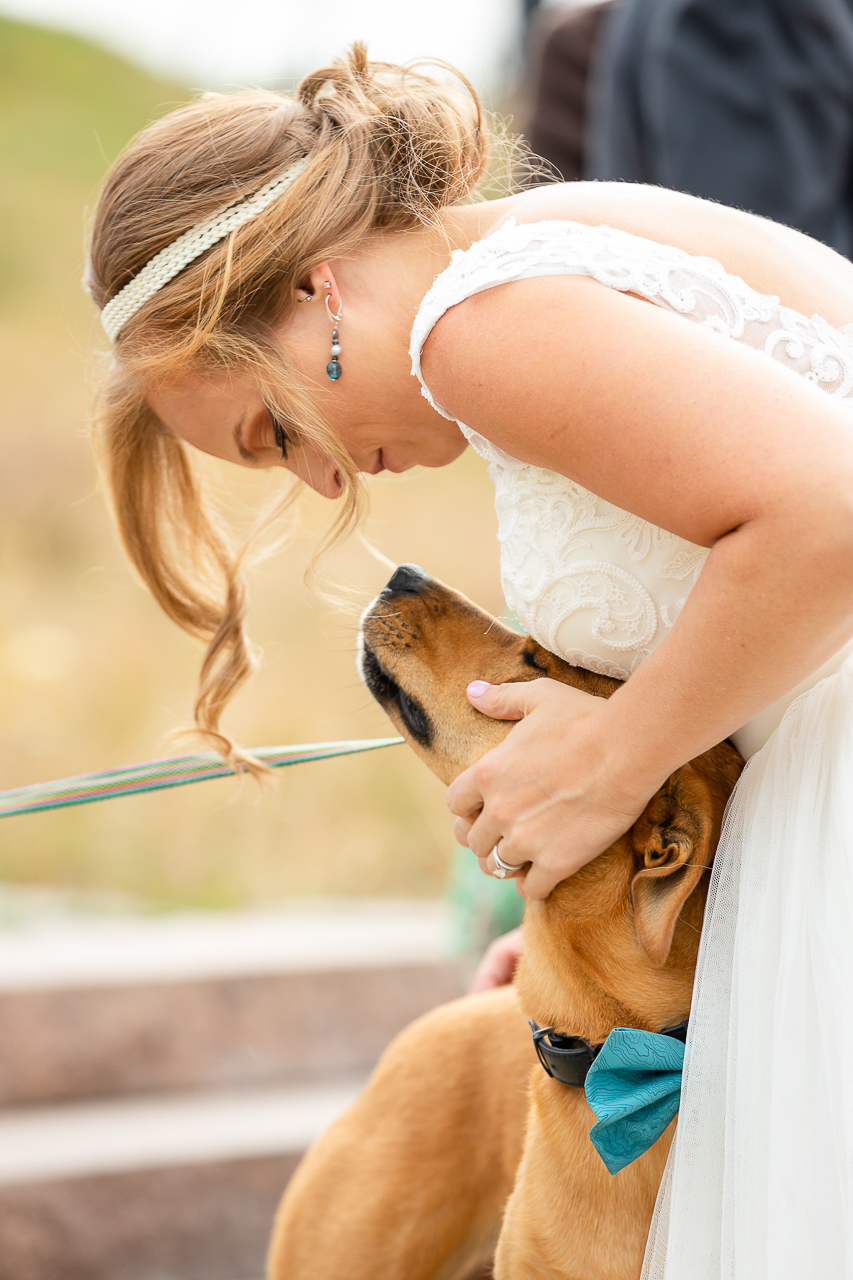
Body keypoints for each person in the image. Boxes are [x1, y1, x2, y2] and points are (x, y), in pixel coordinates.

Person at [85, 46, 853, 1277]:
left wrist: (613, 758)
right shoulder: (537, 243)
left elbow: (834, 512)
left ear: (309, 292)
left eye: (274, 429)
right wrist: (584, 941)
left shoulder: (474, 327)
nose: (323, 479)